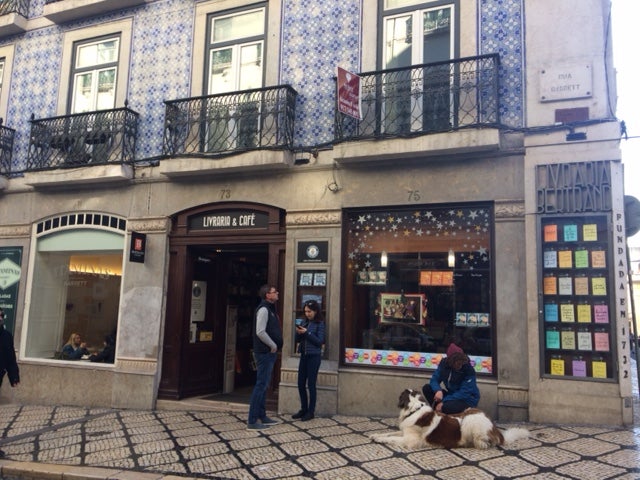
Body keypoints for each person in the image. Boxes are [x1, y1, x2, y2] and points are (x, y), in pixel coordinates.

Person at [247, 284, 283, 430]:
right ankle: (252, 420)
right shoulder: (263, 310)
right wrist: (273, 345)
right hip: (264, 352)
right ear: (268, 295)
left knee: (264, 385)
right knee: (261, 385)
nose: (277, 293)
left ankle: (262, 416)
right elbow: (260, 331)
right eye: (275, 292)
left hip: (268, 353)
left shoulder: (270, 309)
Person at [422, 343, 479, 414]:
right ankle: (439, 413)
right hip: (451, 395)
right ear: (451, 361)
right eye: (458, 363)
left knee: (446, 407)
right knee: (427, 388)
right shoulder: (444, 364)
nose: (460, 366)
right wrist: (438, 390)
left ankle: (442, 411)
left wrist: (444, 401)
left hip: (466, 399)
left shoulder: (468, 370)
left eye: (461, 363)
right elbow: (434, 379)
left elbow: (465, 392)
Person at [293, 299, 325, 421]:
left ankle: (311, 412)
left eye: (310, 311)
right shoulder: (304, 322)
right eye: (306, 311)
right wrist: (299, 332)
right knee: (300, 383)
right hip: (304, 356)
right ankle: (303, 409)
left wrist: (307, 333)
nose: (307, 314)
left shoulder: (320, 323)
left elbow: (319, 341)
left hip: (314, 356)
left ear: (316, 311)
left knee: (311, 384)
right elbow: (298, 339)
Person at [0, 308, 19, 459]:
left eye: (1, 316)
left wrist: (14, 377)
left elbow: (10, 357)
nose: (0, 318)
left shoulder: (6, 336)